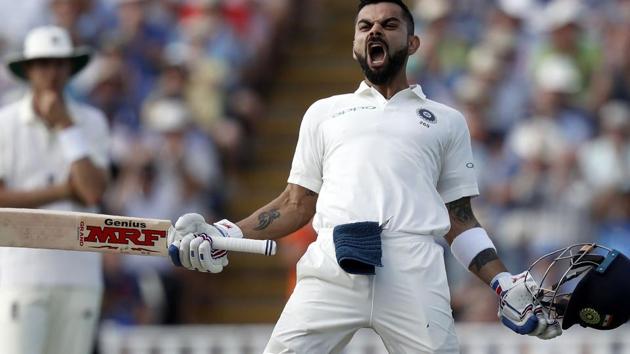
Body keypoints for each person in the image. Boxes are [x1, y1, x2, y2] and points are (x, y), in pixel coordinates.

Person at [168, 1, 562, 353]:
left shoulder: (446, 121)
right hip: (331, 268)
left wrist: (504, 283)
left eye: (389, 24)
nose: (374, 31)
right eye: (364, 26)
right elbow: (295, 204)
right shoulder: (324, 112)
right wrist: (225, 234)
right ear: (355, 44)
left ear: (413, 43)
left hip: (413, 270)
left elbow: (458, 221)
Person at [0, 26, 109, 354]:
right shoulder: (5, 123)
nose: (52, 72)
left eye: (60, 64)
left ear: (70, 69)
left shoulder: (90, 121)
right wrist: (64, 189)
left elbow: (90, 192)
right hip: (21, 273)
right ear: (29, 70)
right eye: (44, 63)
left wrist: (65, 126)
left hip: (80, 275)